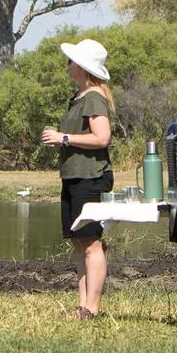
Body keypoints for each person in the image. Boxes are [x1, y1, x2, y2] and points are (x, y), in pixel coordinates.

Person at [41, 38, 115, 318]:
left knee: (91, 242)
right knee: (80, 242)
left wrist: (64, 138)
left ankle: (91, 308)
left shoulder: (94, 97)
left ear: (83, 67)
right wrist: (63, 140)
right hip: (74, 176)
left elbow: (102, 138)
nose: (67, 64)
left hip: (90, 177)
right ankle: (83, 305)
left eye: (71, 61)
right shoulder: (79, 97)